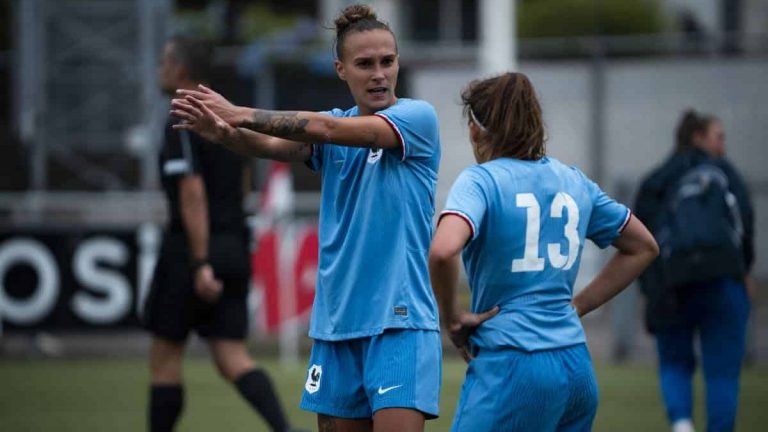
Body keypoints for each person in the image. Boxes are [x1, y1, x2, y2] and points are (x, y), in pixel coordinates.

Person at [169, 5, 451, 431]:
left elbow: (324, 130)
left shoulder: (415, 119)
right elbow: (275, 146)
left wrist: (239, 113)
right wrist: (227, 134)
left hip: (399, 323)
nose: (379, 73)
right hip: (336, 326)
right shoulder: (335, 125)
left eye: (387, 62)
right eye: (365, 64)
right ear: (341, 69)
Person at [428, 72, 659, 431]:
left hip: (513, 365)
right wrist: (577, 306)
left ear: (475, 130)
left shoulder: (481, 180)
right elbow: (643, 246)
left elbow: (442, 251)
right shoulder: (573, 180)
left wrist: (452, 318)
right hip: (576, 367)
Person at [143, 36, 297, 432]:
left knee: (164, 360)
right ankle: (285, 428)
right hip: (233, 244)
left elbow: (191, 192)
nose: (159, 70)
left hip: (192, 252)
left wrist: (200, 261)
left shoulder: (183, 116)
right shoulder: (228, 115)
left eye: (163, 62)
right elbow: (243, 180)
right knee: (232, 357)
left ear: (180, 71)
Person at [634, 110, 754, 432]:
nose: (723, 145)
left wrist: (650, 289)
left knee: (674, 362)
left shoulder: (657, 179)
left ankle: (682, 424)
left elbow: (636, 238)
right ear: (698, 137)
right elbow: (745, 225)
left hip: (671, 282)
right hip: (723, 278)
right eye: (719, 136)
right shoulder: (725, 173)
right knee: (722, 371)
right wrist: (744, 271)